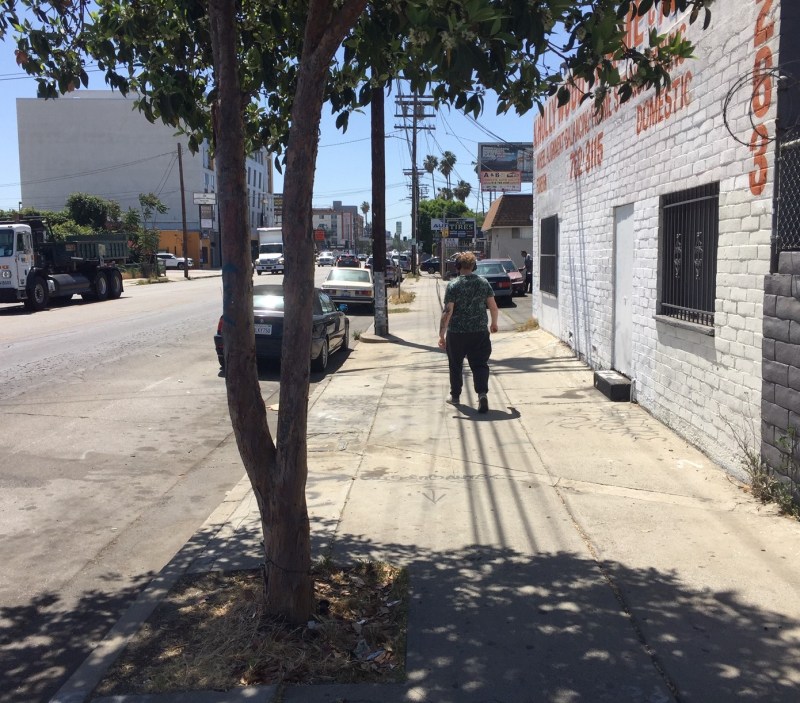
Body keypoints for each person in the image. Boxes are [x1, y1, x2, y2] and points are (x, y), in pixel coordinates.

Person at [438, 251, 499, 413]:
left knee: (456, 365)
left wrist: (441, 334)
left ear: (458, 266)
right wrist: (494, 323)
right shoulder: (483, 283)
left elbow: (447, 311)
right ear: (474, 266)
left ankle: (456, 396)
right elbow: (493, 306)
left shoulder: (453, 285)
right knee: (479, 364)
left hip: (457, 333)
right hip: (479, 331)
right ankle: (482, 394)